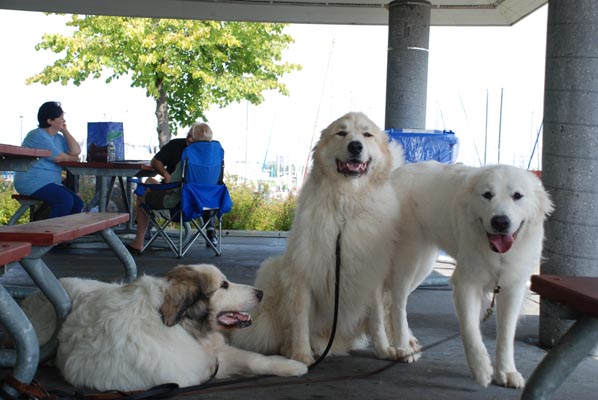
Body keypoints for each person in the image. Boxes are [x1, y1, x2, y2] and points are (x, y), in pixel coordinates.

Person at [127, 122, 219, 254]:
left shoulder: (186, 159)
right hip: (203, 205)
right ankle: (210, 230)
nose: (189, 138)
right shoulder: (213, 160)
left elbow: (171, 189)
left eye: (193, 136)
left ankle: (139, 241)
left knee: (143, 189)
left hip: (177, 205)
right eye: (189, 134)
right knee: (151, 183)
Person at [14, 101, 84, 219]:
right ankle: (51, 233)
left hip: (50, 183)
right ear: (50, 121)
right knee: (64, 200)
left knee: (77, 203)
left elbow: (76, 151)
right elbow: (58, 158)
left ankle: (66, 234)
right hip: (31, 181)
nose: (64, 121)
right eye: (60, 118)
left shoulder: (59, 138)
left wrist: (65, 131)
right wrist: (72, 158)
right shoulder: (37, 135)